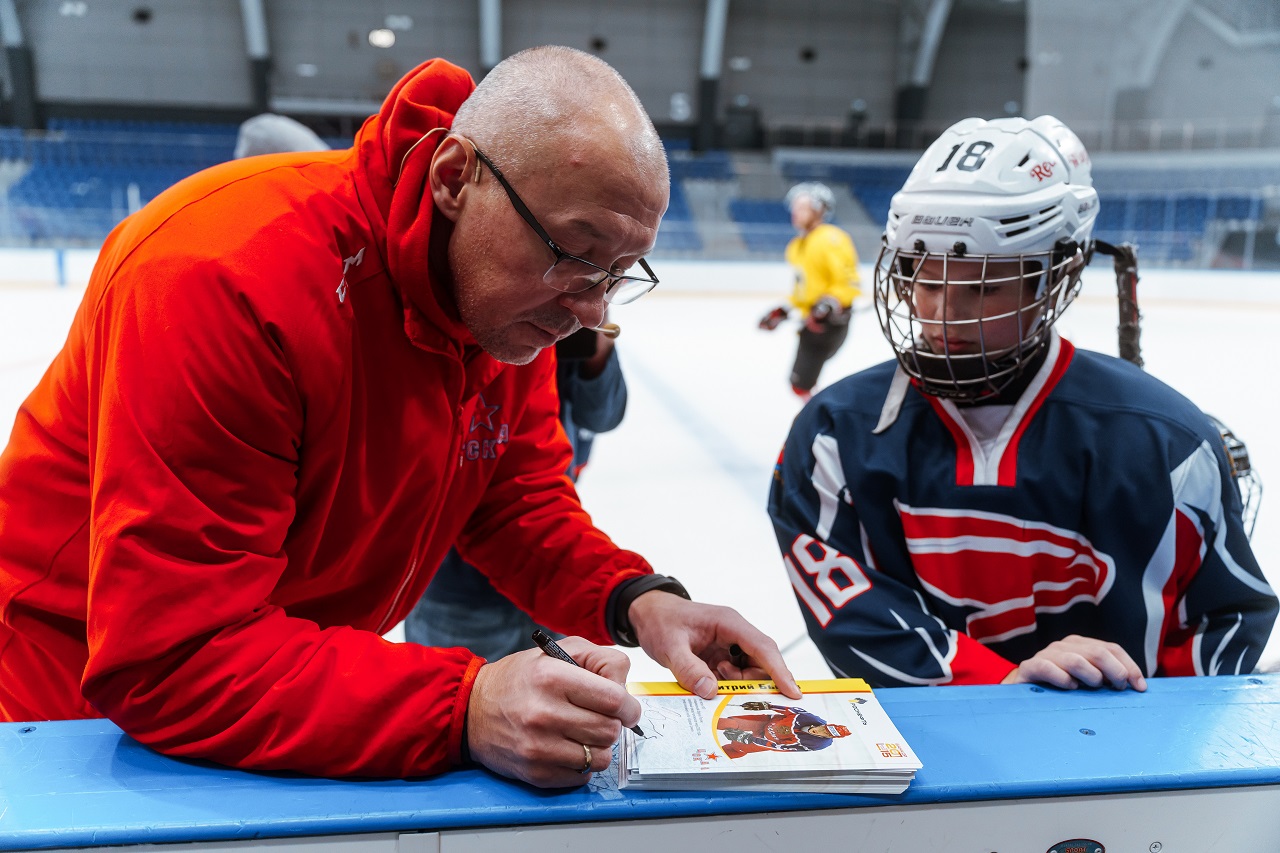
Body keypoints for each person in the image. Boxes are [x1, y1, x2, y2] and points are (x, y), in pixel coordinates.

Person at [0, 46, 799, 788]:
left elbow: (512, 500)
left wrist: (638, 600)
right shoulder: (224, 280)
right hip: (65, 721)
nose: (592, 310)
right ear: (455, 178)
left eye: (620, 273)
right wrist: (463, 705)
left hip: (271, 685)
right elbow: (171, 656)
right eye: (572, 252)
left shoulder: (499, 308)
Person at [767, 115, 1277, 691]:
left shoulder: (1165, 444)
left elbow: (1226, 622)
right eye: (925, 280)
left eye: (982, 287)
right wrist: (1007, 684)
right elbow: (854, 619)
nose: (941, 315)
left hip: (1115, 767)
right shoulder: (834, 433)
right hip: (927, 759)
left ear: (1055, 277)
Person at [405, 325, 627, 659]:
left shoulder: (564, 320)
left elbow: (602, 414)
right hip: (456, 584)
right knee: (457, 701)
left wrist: (597, 342)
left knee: (560, 701)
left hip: (554, 561)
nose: (591, 304)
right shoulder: (508, 318)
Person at [758, 182, 861, 401]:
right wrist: (783, 310)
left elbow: (848, 282)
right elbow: (802, 291)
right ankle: (818, 417)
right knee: (802, 384)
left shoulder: (831, 239)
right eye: (795, 207)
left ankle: (819, 419)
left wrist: (829, 303)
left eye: (803, 207)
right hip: (813, 321)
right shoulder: (797, 246)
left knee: (801, 384)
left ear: (819, 210)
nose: (795, 212)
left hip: (830, 323)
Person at [717, 701, 852, 759]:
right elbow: (788, 710)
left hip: (766, 741)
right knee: (729, 723)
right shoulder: (808, 717)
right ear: (824, 725)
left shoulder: (816, 744)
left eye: (825, 735)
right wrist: (766, 705)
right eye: (824, 729)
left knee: (737, 748)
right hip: (765, 722)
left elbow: (781, 747)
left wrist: (750, 739)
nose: (820, 732)